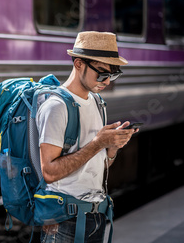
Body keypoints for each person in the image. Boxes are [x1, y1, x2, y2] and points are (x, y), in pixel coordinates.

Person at [37, 31, 137, 243]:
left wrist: (111, 150)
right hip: (64, 221)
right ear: (79, 64)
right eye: (101, 74)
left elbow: (97, 167)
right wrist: (98, 143)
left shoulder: (97, 103)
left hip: (95, 217)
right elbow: (50, 172)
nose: (107, 81)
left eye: (113, 74)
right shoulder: (56, 107)